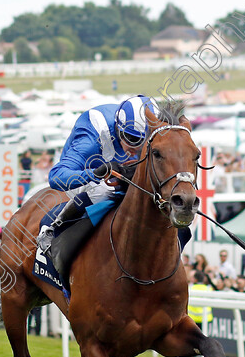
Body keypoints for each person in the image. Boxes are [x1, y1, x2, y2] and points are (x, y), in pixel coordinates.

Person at [37, 96, 192, 252]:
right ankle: (54, 228)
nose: (136, 148)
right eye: (132, 139)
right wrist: (96, 173)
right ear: (118, 128)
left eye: (143, 141)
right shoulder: (91, 137)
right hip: (89, 173)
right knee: (103, 190)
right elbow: (56, 177)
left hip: (125, 170)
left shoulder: (155, 127)